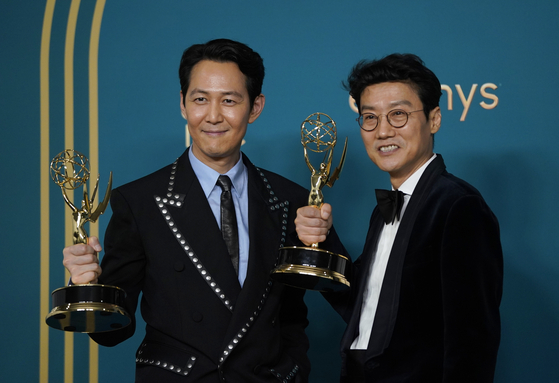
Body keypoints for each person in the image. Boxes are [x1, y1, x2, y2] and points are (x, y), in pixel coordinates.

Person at [62, 38, 344, 382]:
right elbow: (111, 333)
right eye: (200, 99)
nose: (213, 116)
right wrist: (87, 286)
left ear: (255, 107)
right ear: (183, 104)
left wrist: (292, 371)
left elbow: (313, 310)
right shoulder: (139, 202)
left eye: (229, 100)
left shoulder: (291, 199)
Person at [295, 53, 503, 382]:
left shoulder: (458, 207)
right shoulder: (385, 210)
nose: (383, 131)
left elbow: (472, 343)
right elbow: (359, 302)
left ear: (434, 119)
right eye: (370, 118)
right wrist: (321, 237)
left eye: (398, 115)